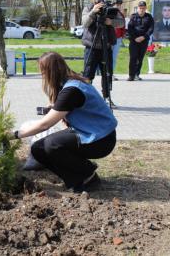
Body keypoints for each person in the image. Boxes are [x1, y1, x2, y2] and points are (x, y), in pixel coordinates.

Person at [12, 52, 117, 193]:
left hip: (101, 139)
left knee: (51, 145)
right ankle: (74, 179)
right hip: (88, 132)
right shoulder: (68, 83)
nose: (43, 77)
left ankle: (88, 175)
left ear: (51, 72)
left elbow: (45, 125)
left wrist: (16, 134)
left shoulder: (72, 90)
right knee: (38, 148)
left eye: (43, 73)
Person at [81, 0, 124, 108]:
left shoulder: (109, 7)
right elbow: (84, 23)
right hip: (92, 47)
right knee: (88, 74)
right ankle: (85, 98)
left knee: (107, 74)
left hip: (107, 46)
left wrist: (111, 22)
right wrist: (93, 12)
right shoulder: (88, 8)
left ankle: (106, 97)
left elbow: (121, 23)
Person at [127, 1, 154, 81]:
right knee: (133, 58)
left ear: (145, 8)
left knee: (140, 58)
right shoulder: (133, 16)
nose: (141, 10)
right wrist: (135, 38)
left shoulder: (149, 17)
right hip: (134, 41)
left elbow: (151, 29)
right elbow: (130, 28)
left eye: (143, 8)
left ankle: (137, 74)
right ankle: (131, 75)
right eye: (140, 8)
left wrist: (144, 37)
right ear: (137, 8)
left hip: (144, 40)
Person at [112, 0, 126, 80]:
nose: (118, 6)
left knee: (113, 57)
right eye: (116, 4)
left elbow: (123, 27)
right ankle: (105, 74)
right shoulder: (108, 13)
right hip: (109, 39)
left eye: (119, 5)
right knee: (107, 57)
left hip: (117, 39)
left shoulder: (121, 14)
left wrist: (122, 36)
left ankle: (111, 74)